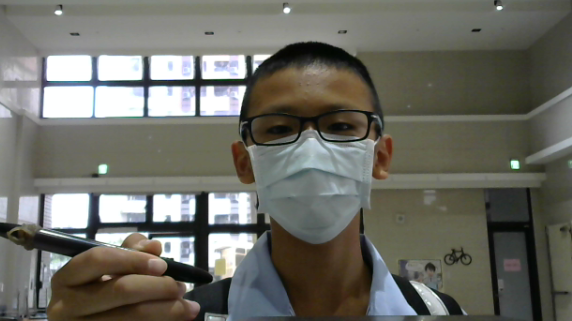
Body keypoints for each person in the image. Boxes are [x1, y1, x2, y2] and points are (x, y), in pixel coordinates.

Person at [47, 42, 463, 320]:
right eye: (279, 129)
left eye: (340, 126)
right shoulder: (186, 316)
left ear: (381, 156)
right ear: (244, 162)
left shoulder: (439, 312)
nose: (311, 149)